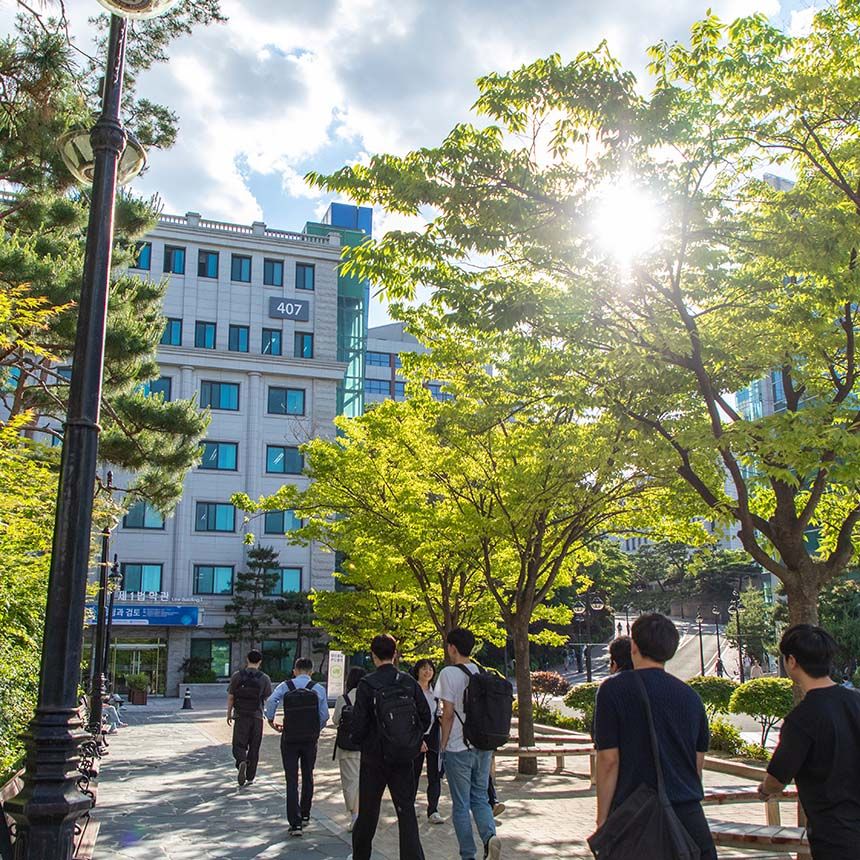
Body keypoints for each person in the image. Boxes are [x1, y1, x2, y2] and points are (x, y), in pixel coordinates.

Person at [594, 613, 715, 860]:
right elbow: (697, 763)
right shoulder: (691, 697)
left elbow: (609, 760)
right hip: (688, 818)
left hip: (635, 816)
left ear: (634, 646)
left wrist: (603, 818)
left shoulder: (613, 689)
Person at [758, 624, 860, 860]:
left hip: (835, 836)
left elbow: (777, 778)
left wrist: (765, 791)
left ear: (791, 661)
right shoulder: (856, 701)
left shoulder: (802, 718)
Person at [348, 634, 431, 860]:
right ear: (395, 654)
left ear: (373, 655)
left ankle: (361, 856)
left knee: (368, 814)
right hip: (403, 757)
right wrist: (411, 738)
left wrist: (364, 741)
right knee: (406, 813)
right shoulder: (407, 681)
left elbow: (359, 724)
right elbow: (426, 715)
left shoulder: (367, 684)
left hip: (373, 758)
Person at [436, 627, 503, 860]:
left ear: (452, 647)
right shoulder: (481, 671)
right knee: (480, 797)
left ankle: (468, 855)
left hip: (458, 747)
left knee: (461, 804)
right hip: (483, 746)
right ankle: (490, 837)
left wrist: (442, 746)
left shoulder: (447, 674)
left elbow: (448, 714)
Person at [266, 656, 328, 836]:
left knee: (291, 779)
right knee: (308, 775)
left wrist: (271, 720)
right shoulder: (317, 688)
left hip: (290, 737)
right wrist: (316, 729)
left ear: (295, 670)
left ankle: (295, 822)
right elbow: (323, 715)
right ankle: (306, 813)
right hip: (310, 738)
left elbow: (271, 701)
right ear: (311, 671)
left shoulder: (286, 686)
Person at [226, 649, 273, 787]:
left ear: (247, 659)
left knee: (239, 744)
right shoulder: (264, 678)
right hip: (256, 716)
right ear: (260, 662)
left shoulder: (237, 676)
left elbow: (231, 697)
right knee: (254, 746)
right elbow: (268, 698)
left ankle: (241, 760)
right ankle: (250, 776)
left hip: (240, 715)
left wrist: (229, 713)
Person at [412, 659, 445, 823]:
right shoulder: (412, 690)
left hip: (433, 735)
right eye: (424, 668)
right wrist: (418, 738)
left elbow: (438, 713)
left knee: (435, 774)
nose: (427, 672)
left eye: (430, 669)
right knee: (413, 773)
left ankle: (433, 810)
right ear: (417, 671)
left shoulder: (435, 693)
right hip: (415, 736)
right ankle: (409, 806)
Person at [333, 666, 366, 831]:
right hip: (366, 747)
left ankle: (355, 816)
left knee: (350, 782)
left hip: (347, 748)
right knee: (363, 782)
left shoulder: (343, 699)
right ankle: (363, 815)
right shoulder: (368, 697)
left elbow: (335, 720)